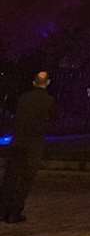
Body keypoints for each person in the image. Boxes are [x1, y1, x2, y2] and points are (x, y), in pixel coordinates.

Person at [2, 71, 58, 224]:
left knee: (10, 176)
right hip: (34, 144)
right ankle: (15, 211)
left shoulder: (24, 98)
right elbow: (53, 119)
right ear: (47, 83)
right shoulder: (49, 100)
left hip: (18, 141)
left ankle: (3, 209)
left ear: (34, 82)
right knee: (25, 179)